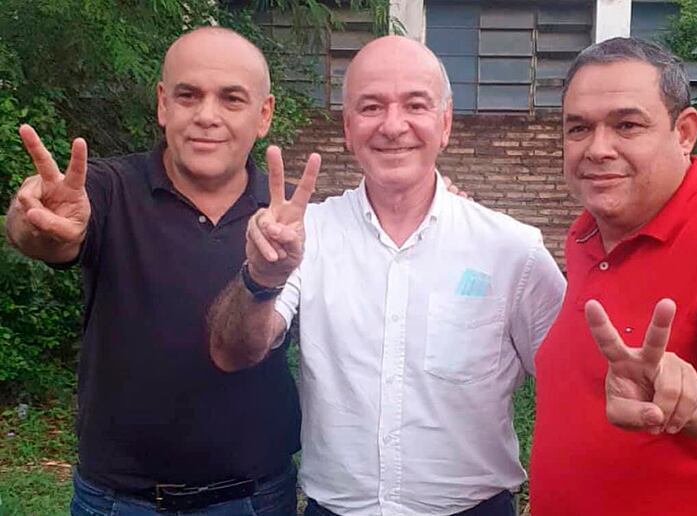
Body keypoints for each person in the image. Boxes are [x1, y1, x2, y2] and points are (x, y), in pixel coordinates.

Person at [208, 35, 566, 516]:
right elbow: (236, 350)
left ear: (445, 123)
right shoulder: (309, 235)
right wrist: (261, 278)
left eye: (415, 105)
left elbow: (577, 387)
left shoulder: (512, 250)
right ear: (348, 127)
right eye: (371, 106)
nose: (393, 126)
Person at [4, 27, 310, 515]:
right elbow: (43, 234)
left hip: (253, 497)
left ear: (264, 114)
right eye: (188, 96)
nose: (206, 115)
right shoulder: (107, 190)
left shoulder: (290, 216)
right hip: (118, 500)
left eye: (231, 99)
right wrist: (35, 223)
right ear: (163, 104)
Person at [529, 37, 697, 516]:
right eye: (579, 128)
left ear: (684, 132)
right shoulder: (586, 234)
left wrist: (689, 398)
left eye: (627, 125)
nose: (598, 149)